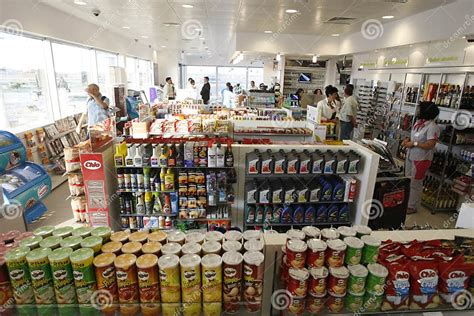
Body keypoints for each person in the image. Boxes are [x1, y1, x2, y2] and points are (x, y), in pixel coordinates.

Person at [402, 101, 440, 214]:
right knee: (408, 180)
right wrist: (408, 141)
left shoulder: (432, 127)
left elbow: (430, 144)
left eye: (419, 109)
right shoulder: (418, 123)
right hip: (411, 156)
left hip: (422, 159)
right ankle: (407, 202)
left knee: (415, 183)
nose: (417, 111)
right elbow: (414, 137)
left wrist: (414, 144)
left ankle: (412, 206)